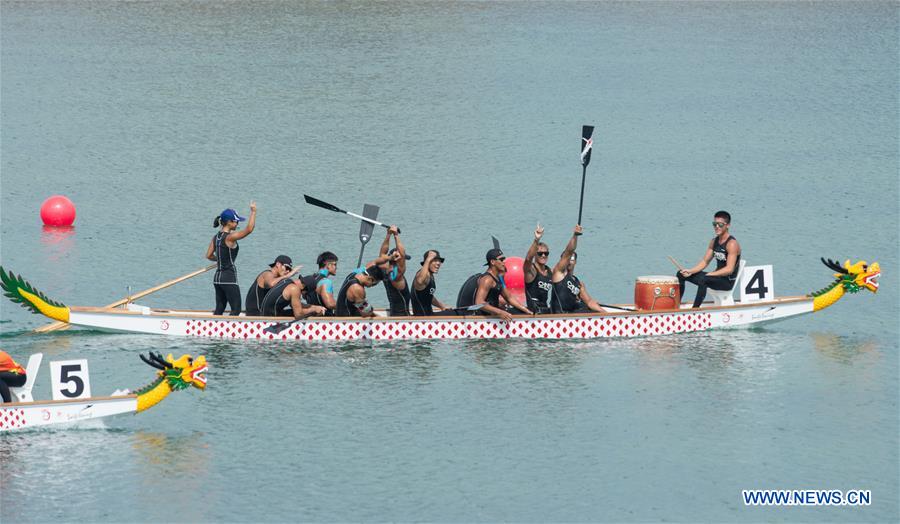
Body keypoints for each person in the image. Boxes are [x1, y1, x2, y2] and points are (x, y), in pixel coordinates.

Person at [677, 210, 742, 308]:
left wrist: (710, 274)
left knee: (704, 279)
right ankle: (676, 305)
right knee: (681, 274)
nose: (716, 227)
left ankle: (695, 310)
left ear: (727, 225)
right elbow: (705, 261)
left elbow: (729, 269)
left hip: (726, 282)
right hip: (715, 277)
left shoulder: (732, 244)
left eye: (720, 224)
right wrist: (690, 271)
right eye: (714, 224)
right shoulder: (714, 241)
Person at [206, 202, 256, 315]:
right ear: (229, 222)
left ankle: (215, 328)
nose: (238, 223)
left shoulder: (216, 237)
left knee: (219, 308)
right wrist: (253, 212)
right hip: (228, 278)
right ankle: (231, 331)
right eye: (236, 221)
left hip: (217, 279)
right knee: (236, 309)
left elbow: (208, 255)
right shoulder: (230, 237)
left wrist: (219, 260)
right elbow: (249, 229)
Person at [456, 248, 532, 320]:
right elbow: (479, 302)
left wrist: (525, 309)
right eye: (501, 260)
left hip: (492, 313)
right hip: (479, 316)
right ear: (492, 262)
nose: (504, 262)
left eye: (504, 259)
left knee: (520, 311)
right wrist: (500, 312)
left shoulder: (498, 278)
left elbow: (509, 297)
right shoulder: (487, 280)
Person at [550, 225, 605, 313]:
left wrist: (606, 313)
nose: (569, 261)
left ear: (575, 262)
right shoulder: (559, 273)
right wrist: (575, 235)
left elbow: (590, 302)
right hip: (559, 317)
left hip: (570, 316)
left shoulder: (578, 282)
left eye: (572, 259)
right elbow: (569, 251)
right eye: (568, 259)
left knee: (588, 307)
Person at [379, 226, 412, 316]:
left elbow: (382, 255)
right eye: (404, 259)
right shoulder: (396, 276)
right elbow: (401, 254)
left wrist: (389, 234)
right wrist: (396, 235)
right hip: (403, 318)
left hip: (394, 314)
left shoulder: (384, 269)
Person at [259, 277, 327, 319]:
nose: (302, 296)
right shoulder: (294, 289)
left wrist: (314, 307)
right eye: (305, 294)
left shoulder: (287, 281)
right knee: (306, 314)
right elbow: (298, 315)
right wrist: (314, 310)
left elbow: (296, 305)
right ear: (304, 288)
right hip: (270, 319)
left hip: (264, 314)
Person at [523, 223, 554, 314]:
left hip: (545, 309)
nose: (543, 255)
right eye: (540, 253)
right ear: (535, 255)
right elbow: (528, 259)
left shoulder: (550, 272)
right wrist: (536, 239)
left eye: (546, 253)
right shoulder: (531, 270)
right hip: (533, 311)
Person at [411, 250, 451, 316]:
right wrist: (428, 259)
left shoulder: (430, 276)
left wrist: (442, 306)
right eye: (434, 261)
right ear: (427, 262)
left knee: (453, 311)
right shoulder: (422, 275)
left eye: (439, 261)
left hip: (429, 315)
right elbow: (420, 281)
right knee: (459, 313)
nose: (438, 263)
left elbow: (429, 296)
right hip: (422, 318)